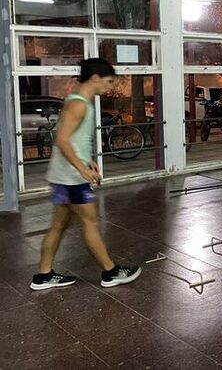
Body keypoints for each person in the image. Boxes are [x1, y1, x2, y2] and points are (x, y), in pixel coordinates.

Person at [30, 58, 141, 291]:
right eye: (109, 82)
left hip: (64, 176)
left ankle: (43, 275)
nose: (111, 87)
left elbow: (73, 139)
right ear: (95, 78)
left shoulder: (78, 101)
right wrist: (82, 169)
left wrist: (88, 161)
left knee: (58, 225)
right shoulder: (78, 104)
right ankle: (110, 272)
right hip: (71, 179)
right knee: (90, 222)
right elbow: (61, 140)